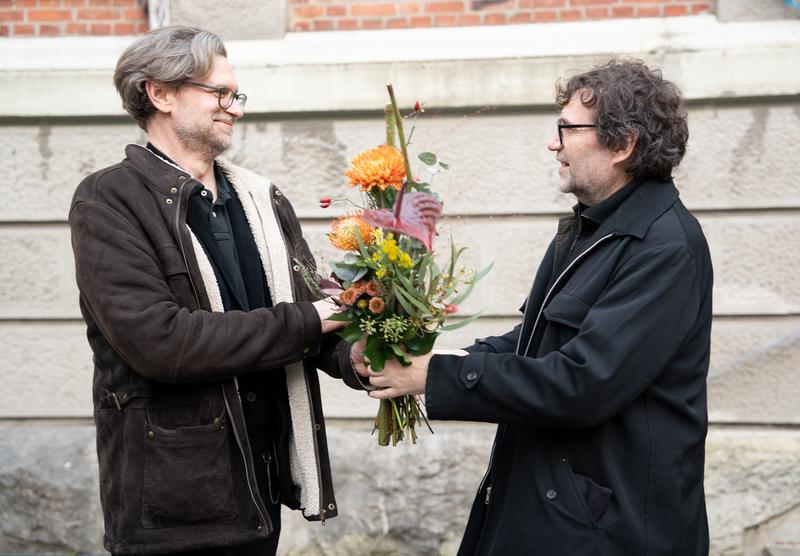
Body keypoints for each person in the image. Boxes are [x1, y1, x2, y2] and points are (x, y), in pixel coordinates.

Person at [356, 59, 713, 555]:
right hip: (561, 510)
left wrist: (435, 378)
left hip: (611, 529)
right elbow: (539, 342)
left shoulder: (663, 247)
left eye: (567, 129)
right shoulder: (593, 226)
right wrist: (448, 360)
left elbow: (583, 384)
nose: (554, 143)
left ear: (623, 144)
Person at [70, 26, 365, 555]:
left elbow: (306, 311)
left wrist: (360, 357)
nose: (235, 108)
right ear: (159, 93)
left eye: (236, 95)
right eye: (218, 93)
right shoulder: (108, 200)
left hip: (261, 487)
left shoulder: (258, 197)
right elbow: (164, 343)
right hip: (176, 503)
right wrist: (319, 318)